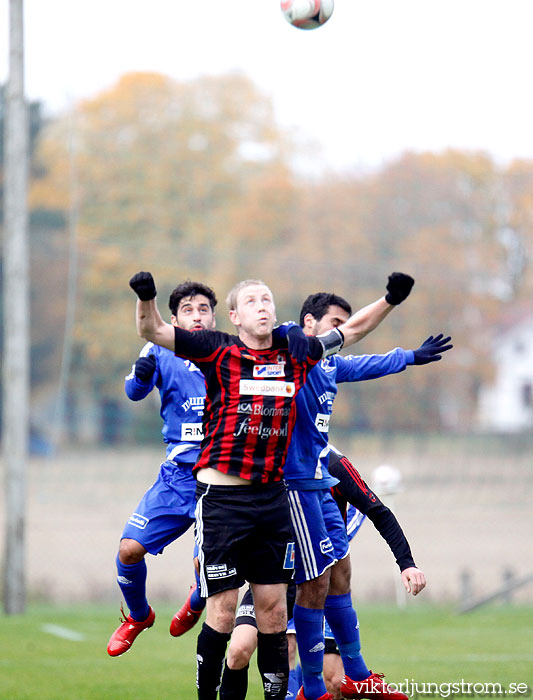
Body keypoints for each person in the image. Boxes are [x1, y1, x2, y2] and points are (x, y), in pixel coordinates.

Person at [128, 270, 406, 700]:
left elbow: (352, 330)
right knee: (221, 611)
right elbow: (153, 329)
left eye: (268, 300)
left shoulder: (297, 352)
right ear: (235, 316)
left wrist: (390, 298)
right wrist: (146, 296)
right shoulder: (215, 348)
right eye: (252, 301)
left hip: (272, 498)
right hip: (221, 498)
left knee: (274, 613)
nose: (263, 306)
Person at [281, 292, 451, 700]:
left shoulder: (329, 368)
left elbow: (367, 361)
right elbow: (353, 331)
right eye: (334, 322)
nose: (343, 330)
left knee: (337, 571)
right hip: (281, 487)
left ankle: (353, 675)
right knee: (250, 646)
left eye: (345, 322)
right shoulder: (289, 350)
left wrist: (409, 356)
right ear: (308, 323)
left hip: (311, 484)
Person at [107, 281, 217, 657]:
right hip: (177, 478)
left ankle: (199, 597)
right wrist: (141, 373)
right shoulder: (158, 347)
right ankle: (138, 616)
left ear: (215, 317)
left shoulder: (230, 351)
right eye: (188, 309)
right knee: (129, 550)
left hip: (221, 477)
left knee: (212, 570)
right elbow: (134, 393)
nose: (197, 315)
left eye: (204, 309)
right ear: (175, 318)